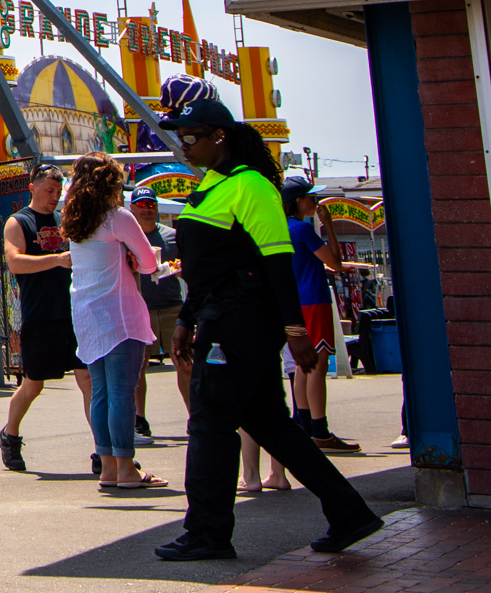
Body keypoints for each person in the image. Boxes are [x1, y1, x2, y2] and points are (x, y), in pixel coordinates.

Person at [152, 96, 381, 563]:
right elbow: (207, 269)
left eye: (190, 136)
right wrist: (188, 321)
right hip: (221, 316)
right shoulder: (214, 184)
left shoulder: (252, 186)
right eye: (179, 138)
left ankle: (207, 534)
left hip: (241, 323)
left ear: (220, 136)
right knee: (272, 426)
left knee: (210, 423)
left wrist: (296, 330)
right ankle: (350, 513)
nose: (184, 145)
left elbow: (278, 262)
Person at [63, 153, 164, 492]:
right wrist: (136, 260)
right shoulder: (117, 216)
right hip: (119, 314)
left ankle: (108, 467)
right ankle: (127, 469)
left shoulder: (75, 220)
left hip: (86, 314)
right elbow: (149, 262)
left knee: (101, 393)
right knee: (122, 393)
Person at [0, 167, 92, 472]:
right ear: (33, 188)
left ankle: (103, 449)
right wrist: (56, 260)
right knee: (33, 384)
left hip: (74, 313)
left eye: (58, 191)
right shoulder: (19, 222)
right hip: (40, 315)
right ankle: (10, 434)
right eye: (49, 190)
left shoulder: (64, 221)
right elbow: (14, 262)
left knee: (87, 379)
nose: (54, 197)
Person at [281, 176, 360, 453]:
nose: (315, 203)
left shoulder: (280, 228)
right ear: (299, 201)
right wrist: (329, 226)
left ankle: (306, 426)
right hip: (314, 300)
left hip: (293, 302)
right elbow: (336, 263)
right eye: (311, 198)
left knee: (302, 365)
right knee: (318, 362)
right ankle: (320, 430)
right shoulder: (304, 229)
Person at [129, 189, 187, 439]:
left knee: (184, 362)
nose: (147, 209)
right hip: (141, 308)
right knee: (139, 366)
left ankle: (195, 417)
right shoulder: (128, 236)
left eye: (151, 204)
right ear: (132, 208)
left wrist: (179, 270)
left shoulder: (172, 236)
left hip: (173, 306)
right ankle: (139, 418)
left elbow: (188, 267)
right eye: (141, 204)